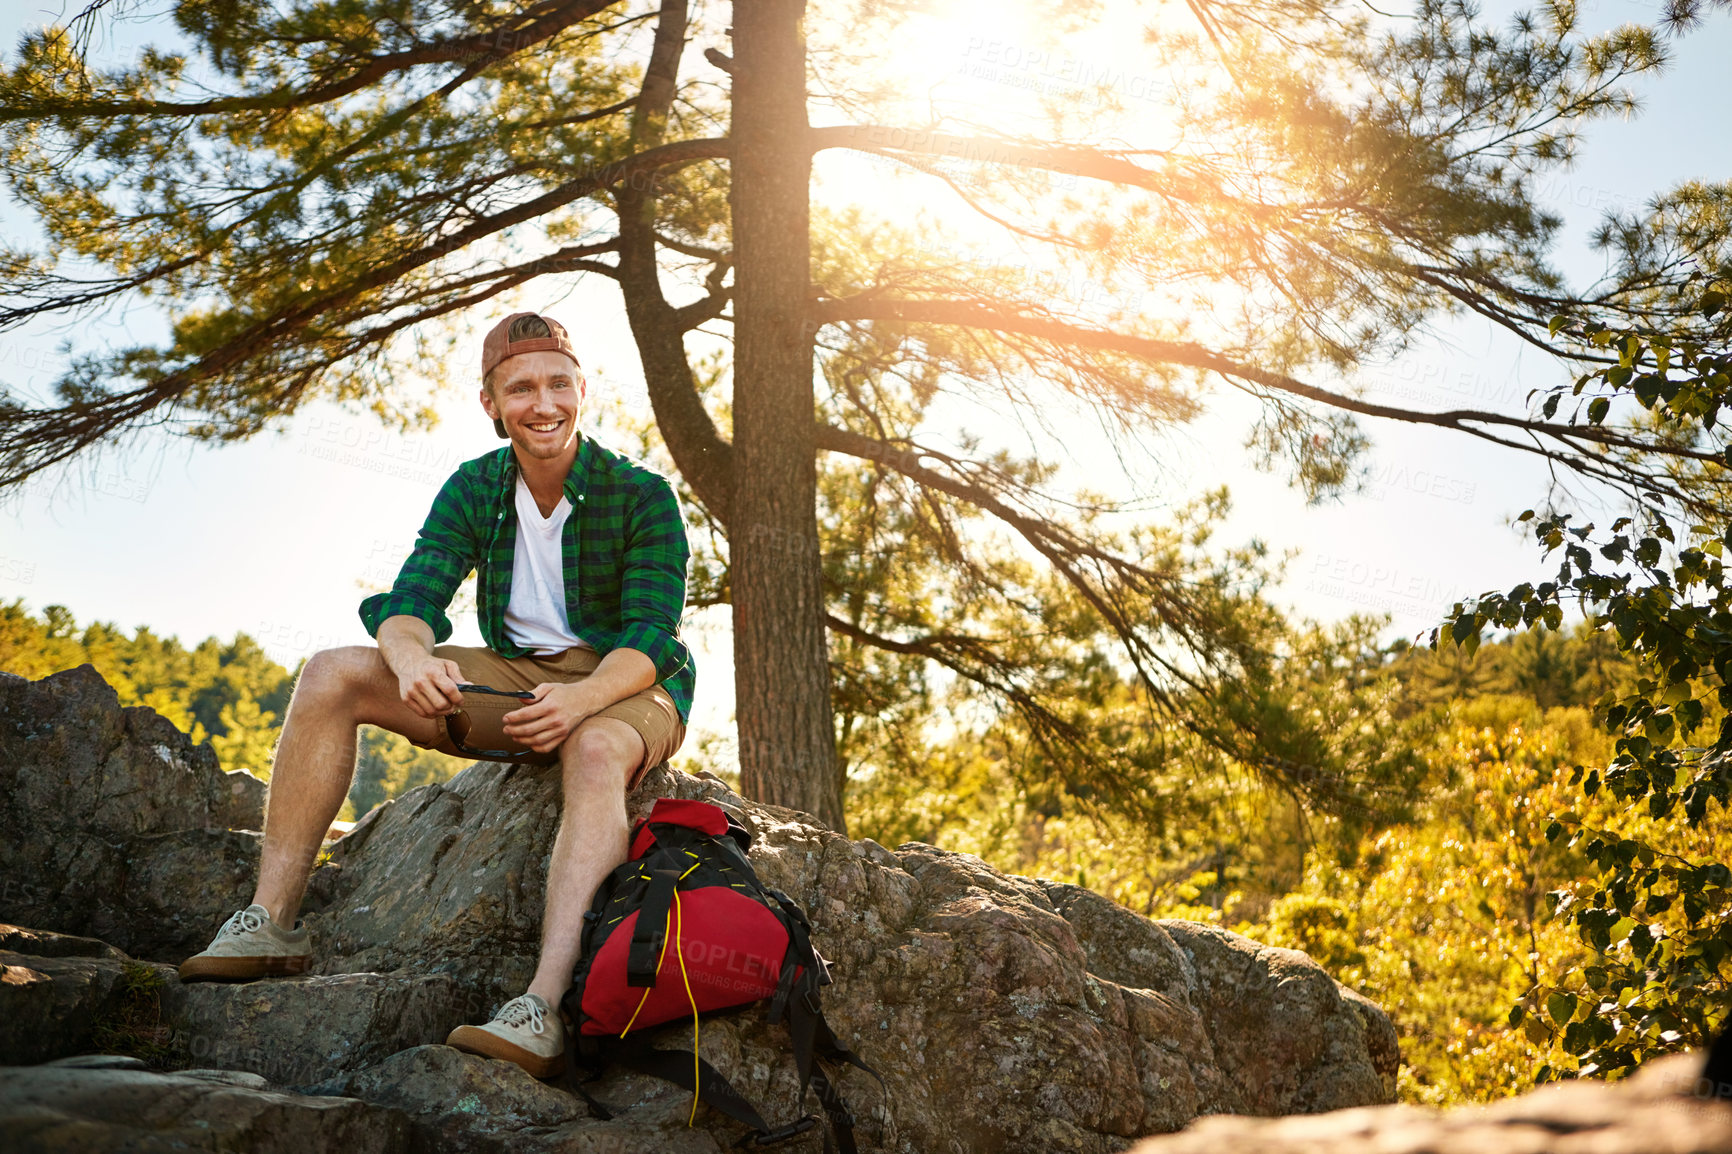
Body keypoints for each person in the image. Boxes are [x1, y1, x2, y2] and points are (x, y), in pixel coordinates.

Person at [176, 312, 695, 1079]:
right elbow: (415, 593)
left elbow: (651, 638)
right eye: (521, 387)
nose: (542, 402)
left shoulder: (642, 494)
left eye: (558, 383)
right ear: (492, 403)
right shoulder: (475, 487)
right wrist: (411, 655)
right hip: (514, 679)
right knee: (331, 671)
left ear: (582, 389)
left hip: (625, 685)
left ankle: (541, 1009)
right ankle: (271, 924)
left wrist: (583, 700)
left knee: (592, 752)